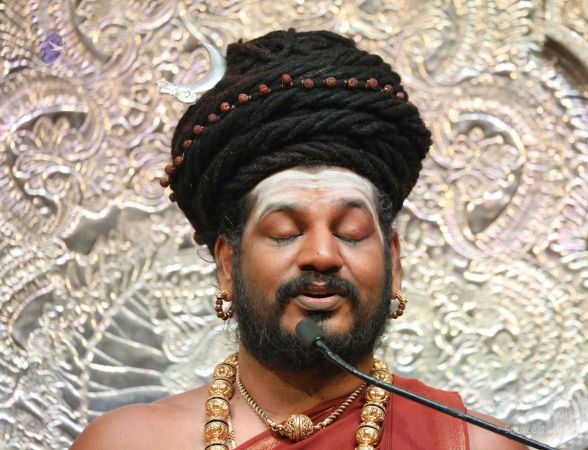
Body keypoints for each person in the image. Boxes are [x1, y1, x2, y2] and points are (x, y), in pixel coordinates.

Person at [71, 29, 526, 450]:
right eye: (285, 233)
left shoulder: (475, 444)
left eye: (350, 233)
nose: (322, 255)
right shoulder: (130, 442)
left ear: (393, 262)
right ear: (228, 264)